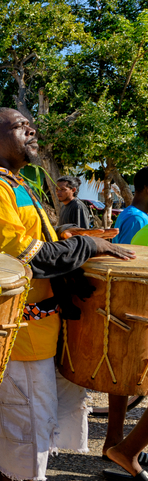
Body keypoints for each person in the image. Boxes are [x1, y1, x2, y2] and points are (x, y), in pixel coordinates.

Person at [0, 107, 133, 481]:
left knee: (42, 418)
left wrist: (76, 242)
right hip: (16, 329)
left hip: (44, 324)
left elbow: (46, 242)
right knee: (22, 423)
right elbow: (27, 257)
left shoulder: (19, 183)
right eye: (18, 125)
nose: (30, 130)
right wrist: (86, 245)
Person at [104, 167, 148, 455]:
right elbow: (127, 265)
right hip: (133, 304)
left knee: (122, 374)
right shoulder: (136, 219)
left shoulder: (137, 218)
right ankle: (117, 442)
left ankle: (118, 442)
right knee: (122, 374)